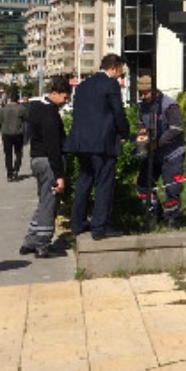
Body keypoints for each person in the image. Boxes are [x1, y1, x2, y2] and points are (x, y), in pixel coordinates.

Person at [65, 53, 129, 240]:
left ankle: (77, 224)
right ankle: (100, 227)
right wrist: (124, 133)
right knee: (103, 184)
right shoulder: (110, 84)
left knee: (84, 182)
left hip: (82, 143)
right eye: (120, 71)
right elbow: (118, 112)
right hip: (103, 143)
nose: (120, 74)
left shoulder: (83, 86)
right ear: (113, 68)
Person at [20, 75, 70, 258]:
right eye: (65, 97)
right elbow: (53, 146)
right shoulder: (50, 113)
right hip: (49, 162)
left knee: (43, 201)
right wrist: (59, 175)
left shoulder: (36, 108)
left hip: (36, 159)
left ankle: (30, 240)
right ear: (54, 93)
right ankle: (42, 244)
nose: (66, 101)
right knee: (50, 203)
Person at [135, 75, 186, 228]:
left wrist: (157, 143)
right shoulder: (142, 106)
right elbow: (141, 124)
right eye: (140, 93)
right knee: (143, 183)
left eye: (145, 93)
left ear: (153, 90)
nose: (142, 96)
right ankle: (154, 212)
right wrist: (142, 133)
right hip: (153, 153)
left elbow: (176, 129)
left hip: (172, 153)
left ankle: (173, 217)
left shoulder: (169, 105)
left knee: (172, 187)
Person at [0, 87, 28, 181]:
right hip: (18, 134)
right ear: (18, 99)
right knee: (18, 153)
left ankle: (9, 174)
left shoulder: (3, 109)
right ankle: (16, 169)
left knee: (8, 155)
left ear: (10, 99)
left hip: (6, 134)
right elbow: (27, 119)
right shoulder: (21, 109)